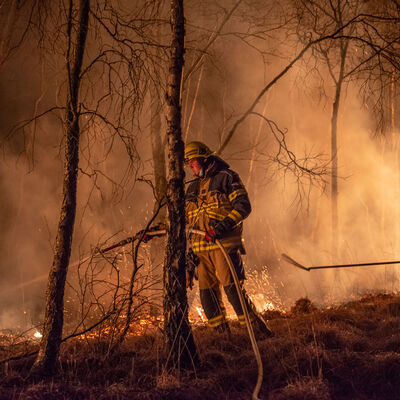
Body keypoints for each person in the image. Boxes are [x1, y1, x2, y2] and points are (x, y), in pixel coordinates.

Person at [184, 141, 273, 337]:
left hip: (222, 246)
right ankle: (222, 337)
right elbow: (184, 223)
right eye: (188, 163)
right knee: (207, 296)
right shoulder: (191, 189)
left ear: (204, 159)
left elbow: (243, 206)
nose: (190, 166)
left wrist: (220, 228)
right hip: (201, 252)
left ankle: (258, 332)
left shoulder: (227, 178)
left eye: (192, 162)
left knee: (233, 290)